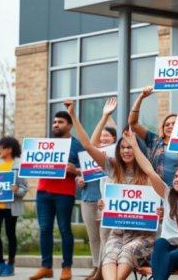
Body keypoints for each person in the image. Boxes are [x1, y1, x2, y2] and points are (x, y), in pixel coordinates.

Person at [64, 100, 154, 280]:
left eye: (130, 147)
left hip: (142, 234)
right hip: (117, 231)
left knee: (125, 255)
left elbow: (157, 202)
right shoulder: (113, 168)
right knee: (109, 256)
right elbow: (89, 146)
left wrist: (158, 211)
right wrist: (81, 115)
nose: (127, 151)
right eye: (123, 148)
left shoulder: (148, 174)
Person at [126, 128, 178, 280]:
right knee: (160, 243)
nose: (177, 179)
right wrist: (134, 145)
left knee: (165, 259)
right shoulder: (167, 194)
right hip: (168, 248)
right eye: (176, 176)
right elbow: (149, 170)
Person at [29, 110, 84, 280]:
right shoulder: (46, 144)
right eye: (54, 122)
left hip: (64, 194)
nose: (56, 125)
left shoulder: (77, 145)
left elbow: (88, 170)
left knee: (64, 229)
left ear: (69, 125)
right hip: (43, 192)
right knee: (44, 229)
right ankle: (46, 267)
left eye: (60, 122)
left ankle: (66, 267)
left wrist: (75, 170)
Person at [77, 97, 118, 280]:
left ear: (114, 139)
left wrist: (108, 116)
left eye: (107, 136)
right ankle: (99, 270)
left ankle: (106, 271)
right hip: (96, 199)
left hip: (112, 201)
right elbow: (91, 145)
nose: (103, 139)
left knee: (110, 239)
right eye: (101, 136)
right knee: (98, 238)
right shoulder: (95, 156)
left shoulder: (116, 154)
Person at [128, 86, 178, 186]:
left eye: (174, 123)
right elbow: (133, 123)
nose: (170, 126)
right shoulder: (154, 141)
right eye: (167, 124)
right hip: (158, 192)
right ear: (163, 128)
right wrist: (141, 97)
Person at [0, 137, 28, 276]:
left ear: (9, 149)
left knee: (10, 235)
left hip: (11, 207)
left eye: (1, 148)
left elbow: (24, 188)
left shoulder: (19, 165)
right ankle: (0, 262)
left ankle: (10, 264)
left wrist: (17, 190)